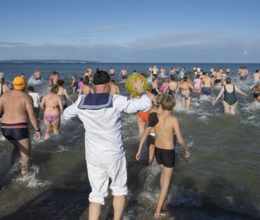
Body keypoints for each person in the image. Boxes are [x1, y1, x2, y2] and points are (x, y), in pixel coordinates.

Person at [63, 70, 151, 220]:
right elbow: (146, 104)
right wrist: (142, 92)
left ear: (93, 85)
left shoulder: (81, 101)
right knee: (119, 190)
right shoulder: (115, 100)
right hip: (114, 155)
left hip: (93, 156)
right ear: (109, 84)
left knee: (96, 195)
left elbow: (65, 115)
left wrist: (82, 122)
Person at [136, 94, 190, 218]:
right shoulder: (173, 119)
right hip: (168, 152)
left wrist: (139, 150)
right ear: (173, 106)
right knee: (166, 183)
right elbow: (180, 140)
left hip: (158, 151)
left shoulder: (155, 117)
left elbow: (145, 132)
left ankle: (162, 198)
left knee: (163, 175)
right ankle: (157, 212)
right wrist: (186, 150)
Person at [0, 76, 41, 176]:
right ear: (24, 85)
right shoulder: (27, 97)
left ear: (13, 85)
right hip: (20, 129)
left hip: (6, 129)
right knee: (26, 158)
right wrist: (37, 130)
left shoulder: (4, 96)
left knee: (17, 147)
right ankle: (24, 182)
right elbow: (32, 116)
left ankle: (10, 170)